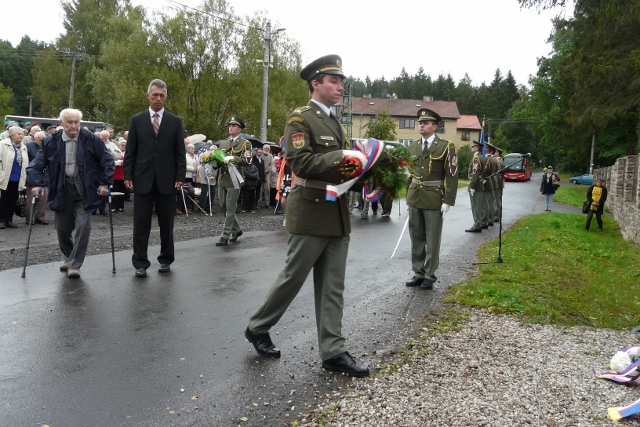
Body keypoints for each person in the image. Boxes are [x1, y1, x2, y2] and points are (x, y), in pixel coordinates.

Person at [245, 54, 370, 377]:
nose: (340, 87)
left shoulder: (336, 123)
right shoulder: (300, 119)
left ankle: (333, 351)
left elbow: (343, 169)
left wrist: (367, 170)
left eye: (341, 81)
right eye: (333, 81)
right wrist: (343, 157)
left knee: (333, 286)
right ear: (316, 84)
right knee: (293, 277)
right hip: (311, 207)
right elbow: (301, 163)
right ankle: (258, 327)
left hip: (336, 210)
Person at [26, 109, 114, 278]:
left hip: (85, 188)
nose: (74, 126)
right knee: (62, 229)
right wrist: (36, 183)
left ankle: (74, 264)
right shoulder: (51, 141)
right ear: (62, 123)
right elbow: (36, 165)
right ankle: (69, 255)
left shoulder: (92, 140)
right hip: (62, 187)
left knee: (83, 227)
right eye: (70, 122)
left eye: (76, 122)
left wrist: (104, 183)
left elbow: (107, 161)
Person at [124, 78, 186, 278]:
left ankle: (166, 259)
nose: (158, 99)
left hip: (168, 181)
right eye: (155, 95)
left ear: (166, 97)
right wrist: (127, 174)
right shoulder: (137, 120)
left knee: (166, 224)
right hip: (142, 179)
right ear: (148, 96)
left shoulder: (175, 121)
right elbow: (131, 151)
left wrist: (180, 176)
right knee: (141, 225)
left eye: (161, 95)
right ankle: (140, 263)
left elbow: (180, 152)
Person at [405, 108, 458, 290]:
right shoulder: (412, 146)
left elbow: (452, 175)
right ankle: (418, 272)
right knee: (416, 237)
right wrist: (407, 195)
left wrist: (448, 200)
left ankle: (429, 274)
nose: (421, 125)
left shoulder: (446, 146)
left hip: (434, 198)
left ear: (435, 127)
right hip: (415, 196)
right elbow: (409, 173)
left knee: (432, 238)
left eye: (426, 123)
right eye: (420, 123)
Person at [214, 116, 251, 246]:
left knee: (230, 207)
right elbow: (219, 159)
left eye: (234, 126)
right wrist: (212, 161)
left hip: (234, 178)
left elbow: (247, 161)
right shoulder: (223, 143)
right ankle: (237, 230)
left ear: (240, 129)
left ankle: (225, 235)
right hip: (222, 178)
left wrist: (233, 158)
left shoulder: (245, 143)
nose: (231, 127)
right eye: (230, 125)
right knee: (223, 205)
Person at [0, 126, 29, 229]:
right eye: (19, 134)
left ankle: (9, 220)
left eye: (22, 134)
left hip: (17, 178)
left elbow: (25, 163)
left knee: (12, 200)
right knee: (3, 200)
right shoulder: (3, 144)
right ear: (11, 136)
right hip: (5, 178)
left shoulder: (23, 147)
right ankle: (1, 220)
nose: (21, 136)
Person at [24, 130, 49, 225]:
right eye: (40, 140)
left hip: (44, 176)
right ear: (34, 139)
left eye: (43, 140)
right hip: (32, 175)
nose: (42, 141)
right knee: (31, 198)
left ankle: (40, 217)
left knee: (44, 198)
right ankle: (29, 218)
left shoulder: (47, 147)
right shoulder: (28, 146)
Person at [465, 140, 485, 233]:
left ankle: (477, 224)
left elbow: (475, 173)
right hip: (478, 184)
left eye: (473, 146)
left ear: (477, 148)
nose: (471, 148)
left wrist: (472, 186)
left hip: (476, 185)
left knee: (475, 206)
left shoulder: (476, 158)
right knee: (477, 206)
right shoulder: (479, 157)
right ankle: (478, 223)